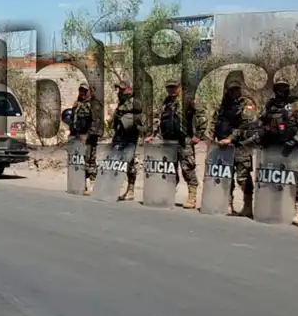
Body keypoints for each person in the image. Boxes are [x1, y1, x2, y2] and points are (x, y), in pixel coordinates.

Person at [257, 75, 298, 227]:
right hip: (273, 148)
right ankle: (276, 210)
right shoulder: (269, 104)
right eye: (278, 87)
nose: (281, 90)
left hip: (292, 149)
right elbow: (260, 122)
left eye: (284, 87)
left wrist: (295, 140)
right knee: (274, 180)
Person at [150, 78, 208, 209]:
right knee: (169, 169)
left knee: (187, 168)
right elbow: (158, 119)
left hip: (184, 140)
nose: (171, 90)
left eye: (174, 87)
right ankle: (167, 194)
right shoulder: (166, 102)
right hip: (168, 141)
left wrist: (199, 135)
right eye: (169, 87)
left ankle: (192, 197)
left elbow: (202, 116)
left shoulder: (188, 100)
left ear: (179, 87)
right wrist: (154, 135)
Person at [213, 77, 260, 217]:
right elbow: (215, 121)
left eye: (236, 89)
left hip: (241, 146)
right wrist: (211, 137)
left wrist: (230, 138)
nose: (234, 92)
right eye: (231, 89)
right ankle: (228, 205)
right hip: (223, 146)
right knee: (226, 176)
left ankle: (247, 206)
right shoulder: (223, 105)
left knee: (243, 177)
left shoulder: (246, 104)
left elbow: (245, 125)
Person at [67, 82, 104, 195]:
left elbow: (96, 122)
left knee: (89, 160)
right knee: (79, 160)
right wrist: (72, 133)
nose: (82, 93)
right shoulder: (77, 104)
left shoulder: (94, 104)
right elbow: (73, 119)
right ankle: (81, 184)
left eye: (85, 90)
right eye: (81, 90)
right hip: (78, 137)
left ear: (89, 91)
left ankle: (93, 185)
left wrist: (88, 136)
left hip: (89, 137)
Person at [110, 80, 144, 201]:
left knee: (129, 162)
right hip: (119, 136)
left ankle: (131, 189)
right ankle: (112, 188)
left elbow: (139, 109)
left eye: (123, 89)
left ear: (129, 90)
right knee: (114, 161)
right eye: (119, 89)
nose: (120, 92)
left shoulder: (134, 101)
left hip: (130, 136)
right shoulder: (121, 103)